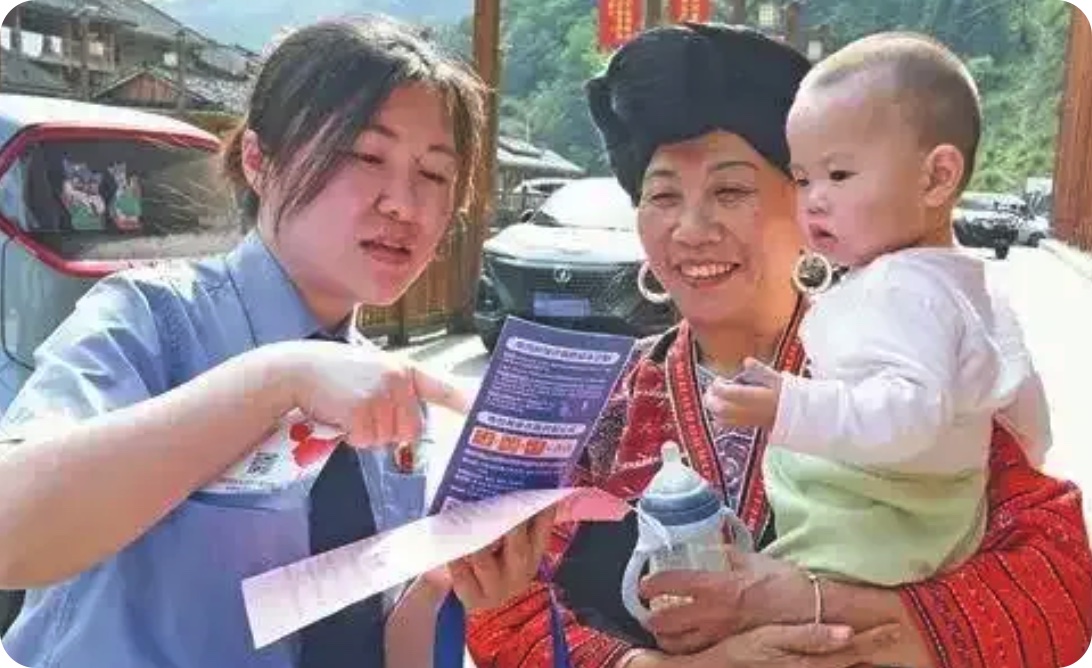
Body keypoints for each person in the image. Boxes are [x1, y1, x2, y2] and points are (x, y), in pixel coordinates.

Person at [466, 23, 1092, 668]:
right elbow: (498, 614)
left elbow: (1059, 581)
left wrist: (815, 605)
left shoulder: (896, 359)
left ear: (807, 204)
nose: (692, 229)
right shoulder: (600, 402)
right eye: (663, 196)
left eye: (731, 190)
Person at [0, 17, 552, 668]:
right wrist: (279, 379)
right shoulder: (151, 320)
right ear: (259, 161)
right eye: (366, 156)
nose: (405, 205)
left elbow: (372, 639)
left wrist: (443, 584)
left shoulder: (390, 395)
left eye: (434, 174)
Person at [703, 32, 1052, 588]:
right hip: (932, 515)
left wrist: (791, 405)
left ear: (936, 178)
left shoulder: (904, 287)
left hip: (878, 527)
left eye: (839, 175)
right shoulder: (964, 283)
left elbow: (911, 412)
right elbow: (1025, 409)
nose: (814, 199)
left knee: (765, 610)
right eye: (802, 179)